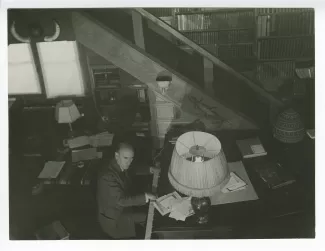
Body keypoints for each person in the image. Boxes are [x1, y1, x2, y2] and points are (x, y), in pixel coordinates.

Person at [96, 142, 157, 239]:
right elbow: (121, 200)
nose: (129, 162)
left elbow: (133, 168)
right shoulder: (107, 177)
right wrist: (145, 196)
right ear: (117, 155)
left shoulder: (119, 163)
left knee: (150, 212)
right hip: (115, 219)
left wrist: (150, 169)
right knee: (151, 217)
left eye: (131, 158)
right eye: (126, 158)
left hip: (122, 208)